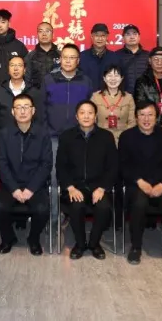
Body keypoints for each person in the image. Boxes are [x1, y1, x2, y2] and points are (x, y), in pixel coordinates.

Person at [119, 101, 162, 265]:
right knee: (139, 203)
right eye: (142, 115)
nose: (146, 119)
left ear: (156, 117)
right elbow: (123, 165)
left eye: (150, 115)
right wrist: (139, 181)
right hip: (137, 184)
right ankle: (136, 247)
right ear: (136, 117)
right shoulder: (126, 137)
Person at [57, 100, 118, 260]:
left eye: (90, 113)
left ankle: (94, 243)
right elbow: (61, 166)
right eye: (82, 113)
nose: (86, 116)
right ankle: (80, 244)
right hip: (75, 186)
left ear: (95, 116)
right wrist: (70, 187)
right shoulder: (67, 137)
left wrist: (102, 187)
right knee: (76, 206)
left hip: (99, 186)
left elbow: (113, 166)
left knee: (104, 207)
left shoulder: (106, 137)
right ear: (76, 116)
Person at [0, 93, 53, 256]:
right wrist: (14, 189)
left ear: (33, 111)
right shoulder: (5, 134)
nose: (22, 111)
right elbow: (2, 164)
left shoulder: (43, 134)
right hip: (11, 184)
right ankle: (8, 239)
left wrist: (30, 189)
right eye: (18, 108)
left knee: (42, 209)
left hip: (35, 185)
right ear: (12, 112)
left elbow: (46, 164)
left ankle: (33, 239)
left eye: (26, 107)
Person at [42, 43, 94, 224]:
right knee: (54, 177)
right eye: (65, 57)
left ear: (78, 61)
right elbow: (41, 108)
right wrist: (46, 130)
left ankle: (74, 213)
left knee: (76, 176)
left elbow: (90, 109)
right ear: (60, 59)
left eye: (72, 58)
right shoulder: (49, 79)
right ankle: (55, 216)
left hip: (78, 137)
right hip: (53, 136)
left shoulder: (86, 81)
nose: (68, 61)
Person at [0, 55, 46, 153]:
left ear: (24, 70)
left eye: (19, 65)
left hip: (30, 142)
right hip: (5, 141)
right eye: (12, 65)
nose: (16, 69)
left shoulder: (34, 92)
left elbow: (40, 118)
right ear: (8, 69)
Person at [90, 64, 136, 143]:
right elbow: (91, 120)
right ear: (104, 78)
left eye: (116, 75)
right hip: (101, 139)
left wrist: (125, 137)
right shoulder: (95, 97)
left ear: (121, 78)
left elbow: (132, 122)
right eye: (109, 75)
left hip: (123, 139)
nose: (113, 79)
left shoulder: (128, 98)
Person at [79, 23, 121, 91]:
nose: (100, 39)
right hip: (87, 95)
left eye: (103, 35)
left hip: (108, 96)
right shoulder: (82, 57)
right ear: (92, 36)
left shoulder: (114, 57)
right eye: (97, 35)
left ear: (107, 37)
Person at [24, 22, 60, 89]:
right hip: (36, 93)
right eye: (40, 31)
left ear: (53, 34)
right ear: (37, 34)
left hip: (57, 92)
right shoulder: (30, 56)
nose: (44, 34)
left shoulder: (61, 55)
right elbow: (27, 80)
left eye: (47, 31)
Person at [116, 24, 150, 95]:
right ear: (123, 38)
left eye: (134, 34)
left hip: (145, 96)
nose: (132, 37)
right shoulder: (116, 55)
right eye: (128, 34)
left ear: (139, 37)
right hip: (124, 96)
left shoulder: (148, 55)